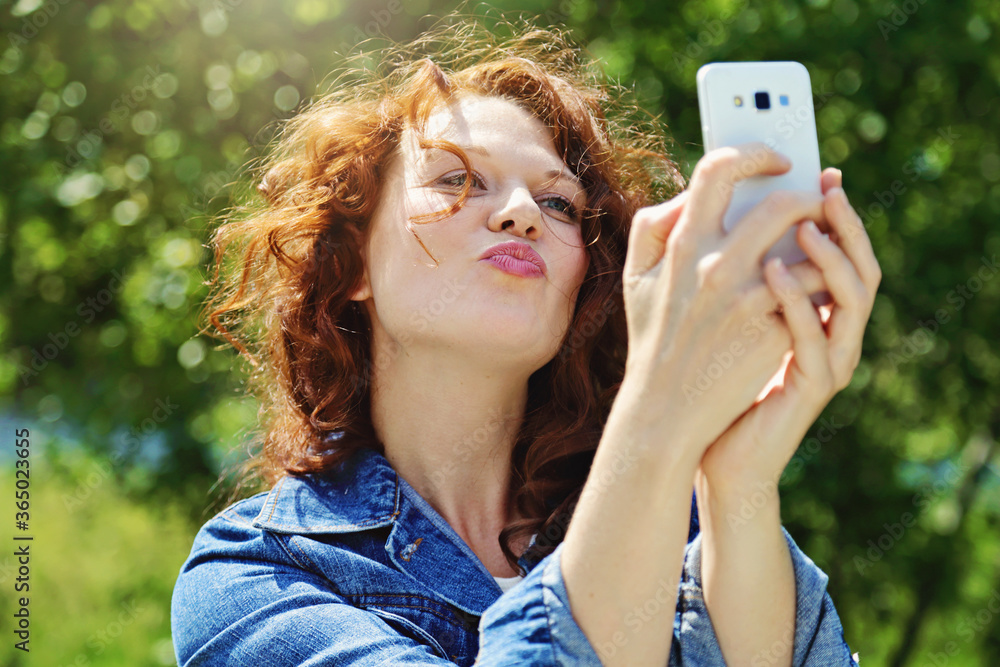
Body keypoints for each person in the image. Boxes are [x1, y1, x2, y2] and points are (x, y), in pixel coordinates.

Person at [171, 12, 878, 667]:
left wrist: (739, 481)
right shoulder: (256, 572)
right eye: (459, 179)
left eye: (558, 202)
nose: (520, 213)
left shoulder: (697, 522)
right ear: (351, 262)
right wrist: (660, 418)